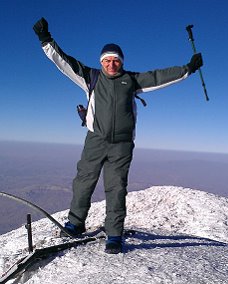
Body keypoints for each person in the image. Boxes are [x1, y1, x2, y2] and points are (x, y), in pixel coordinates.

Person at [33, 17, 203, 254]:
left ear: (120, 62)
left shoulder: (131, 80)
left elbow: (158, 77)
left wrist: (188, 69)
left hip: (122, 146)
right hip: (96, 140)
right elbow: (64, 61)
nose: (111, 64)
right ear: (101, 62)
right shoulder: (90, 77)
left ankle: (114, 234)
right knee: (84, 182)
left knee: (116, 188)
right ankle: (75, 223)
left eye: (115, 60)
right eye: (107, 60)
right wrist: (46, 40)